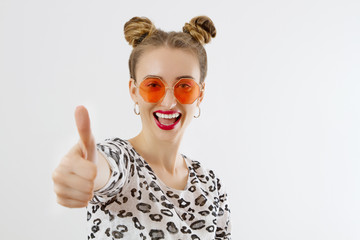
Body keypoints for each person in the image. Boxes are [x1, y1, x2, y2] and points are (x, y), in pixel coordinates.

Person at [52, 15, 231, 239]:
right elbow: (105, 169)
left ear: (200, 95)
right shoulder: (122, 161)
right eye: (153, 85)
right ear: (134, 91)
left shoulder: (210, 184)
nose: (168, 102)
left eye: (184, 86)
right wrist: (85, 172)